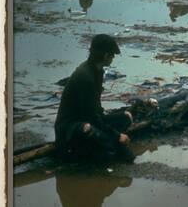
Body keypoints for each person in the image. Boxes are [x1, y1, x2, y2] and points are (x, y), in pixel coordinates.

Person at [55, 34, 134, 162]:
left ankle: (106, 143)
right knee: (112, 148)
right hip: (72, 127)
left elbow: (96, 110)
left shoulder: (98, 71)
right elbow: (90, 117)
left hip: (91, 119)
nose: (113, 58)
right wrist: (117, 135)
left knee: (125, 117)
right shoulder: (85, 77)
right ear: (105, 56)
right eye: (112, 55)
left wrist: (116, 121)